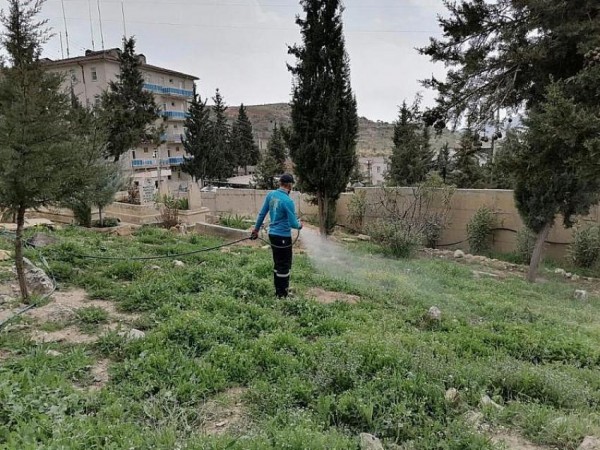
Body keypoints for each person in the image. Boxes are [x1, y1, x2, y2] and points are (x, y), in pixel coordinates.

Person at [251, 173, 302, 298]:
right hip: (283, 237)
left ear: (280, 183)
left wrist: (256, 230)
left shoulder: (271, 195)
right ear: (290, 185)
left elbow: (262, 214)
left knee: (278, 263)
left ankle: (278, 291)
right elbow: (294, 224)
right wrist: (300, 225)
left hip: (273, 235)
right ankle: (282, 295)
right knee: (284, 265)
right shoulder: (288, 201)